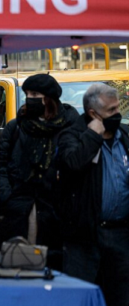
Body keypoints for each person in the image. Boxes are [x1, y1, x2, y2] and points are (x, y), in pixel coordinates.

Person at [0, 74, 78, 268]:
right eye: (27, 93)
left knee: (51, 269)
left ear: (49, 98)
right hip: (19, 212)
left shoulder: (69, 128)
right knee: (16, 266)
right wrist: (8, 197)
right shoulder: (17, 126)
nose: (29, 98)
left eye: (35, 93)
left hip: (54, 214)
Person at [57, 83, 129, 306]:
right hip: (86, 234)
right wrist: (92, 136)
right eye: (111, 111)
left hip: (121, 234)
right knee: (80, 298)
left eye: (118, 108)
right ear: (93, 114)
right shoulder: (73, 135)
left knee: (121, 296)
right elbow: (73, 164)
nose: (117, 114)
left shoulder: (125, 135)